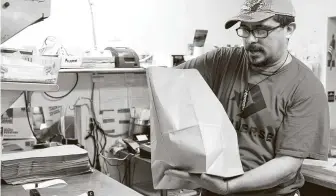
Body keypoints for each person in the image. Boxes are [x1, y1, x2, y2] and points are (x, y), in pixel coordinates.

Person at [165, 0, 330, 195]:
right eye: (245, 30)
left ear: (289, 29)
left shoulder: (306, 87)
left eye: (261, 31)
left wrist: (230, 186)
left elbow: (288, 165)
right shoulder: (222, 61)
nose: (250, 40)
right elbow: (166, 82)